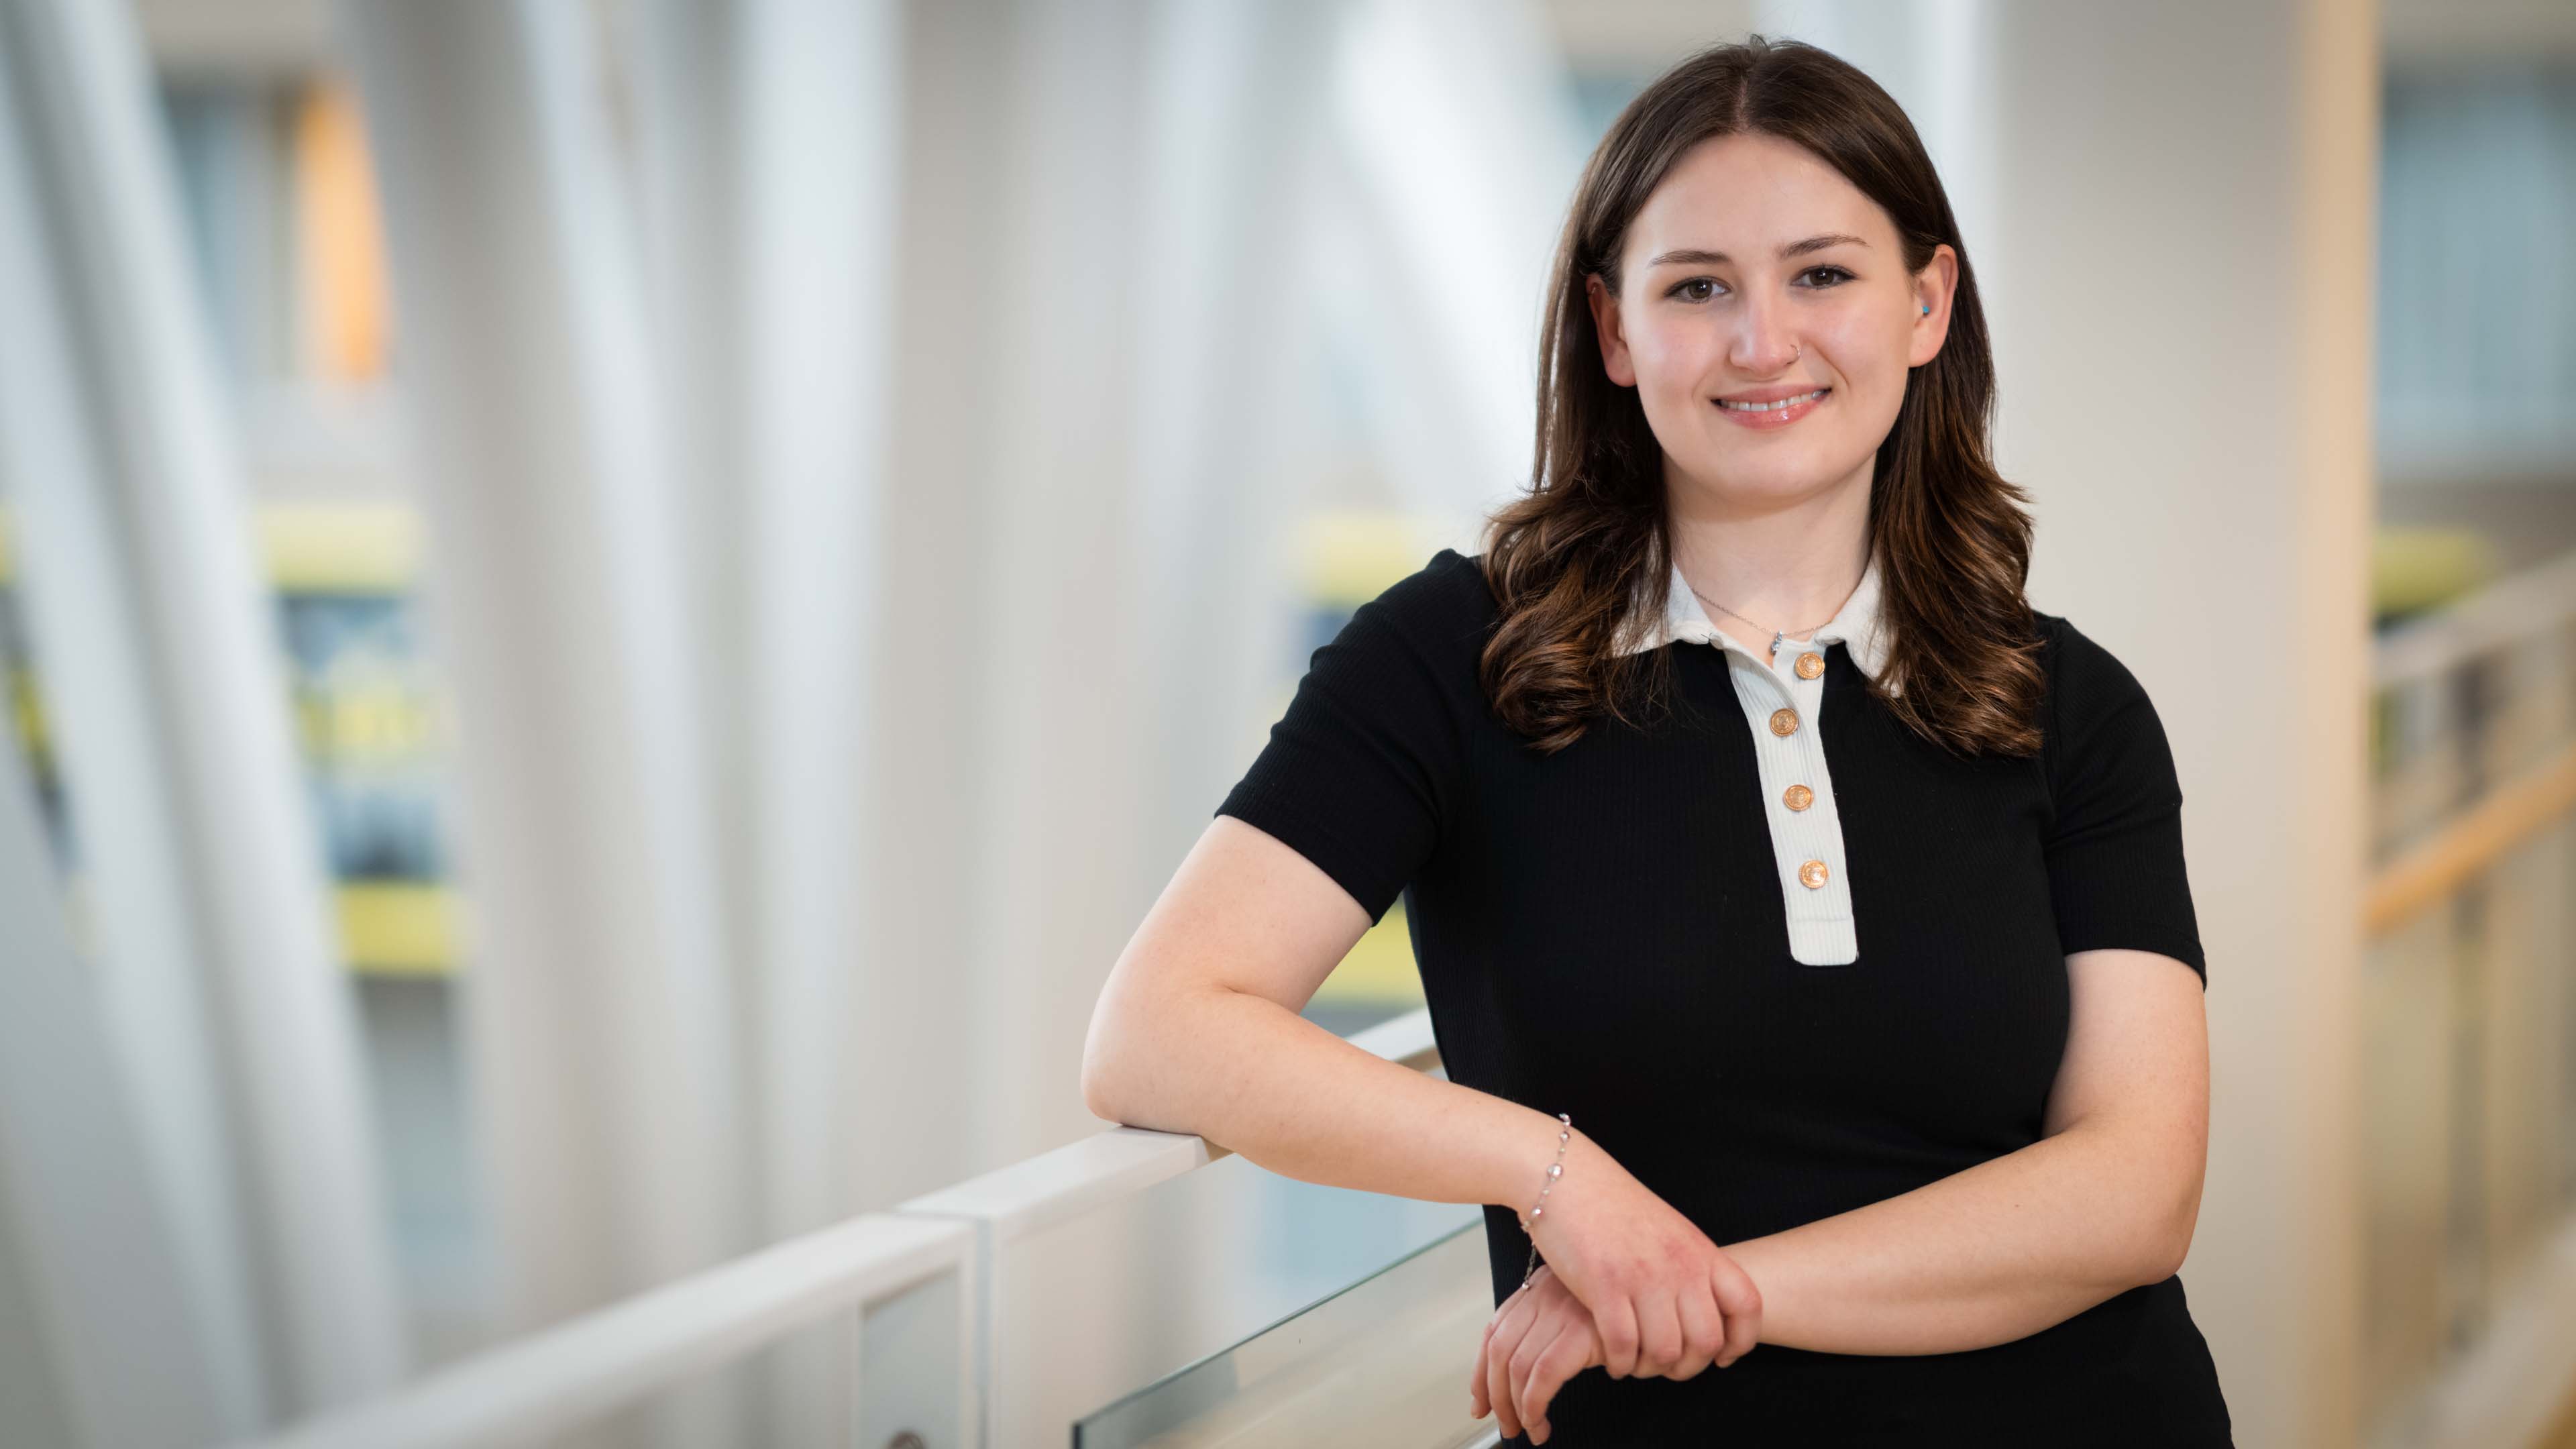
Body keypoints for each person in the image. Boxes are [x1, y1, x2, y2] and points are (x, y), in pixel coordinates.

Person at [1081, 33, 2230, 1447]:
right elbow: (1157, 1030)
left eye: (1824, 274)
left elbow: (2137, 1192)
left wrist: (1696, 1288)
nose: (1763, 342)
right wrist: (1556, 1178)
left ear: (1927, 304)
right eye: (1698, 288)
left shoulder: (2067, 704)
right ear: (1614, 331)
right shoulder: (1455, 660)